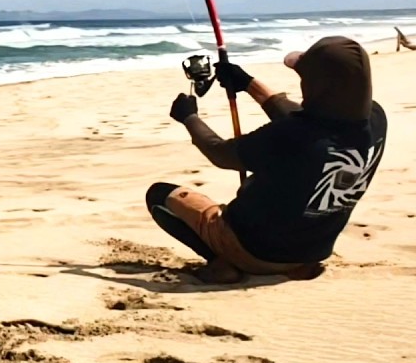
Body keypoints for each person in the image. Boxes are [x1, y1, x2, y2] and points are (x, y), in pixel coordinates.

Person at [148, 35, 387, 283]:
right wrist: (247, 83)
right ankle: (290, 266)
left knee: (159, 194)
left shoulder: (290, 136)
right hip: (312, 251)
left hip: (254, 250)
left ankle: (221, 261)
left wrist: (189, 117)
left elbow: (219, 153)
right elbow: (310, 120)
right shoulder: (376, 120)